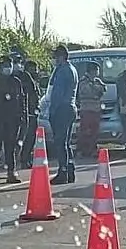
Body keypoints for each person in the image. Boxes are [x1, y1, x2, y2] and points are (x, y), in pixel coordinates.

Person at [0, 55, 26, 184]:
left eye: (9, 65)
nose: (7, 68)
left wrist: (22, 116)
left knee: (10, 148)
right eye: (5, 66)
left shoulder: (16, 82)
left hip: (12, 120)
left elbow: (22, 100)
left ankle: (11, 173)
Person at [48, 44, 79, 184]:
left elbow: (57, 93)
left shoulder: (62, 71)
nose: (54, 59)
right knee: (66, 143)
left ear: (61, 57)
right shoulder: (71, 69)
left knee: (60, 143)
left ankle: (63, 172)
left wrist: (52, 110)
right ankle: (70, 170)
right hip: (70, 108)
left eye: (55, 56)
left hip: (62, 109)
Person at [75, 61, 106, 159]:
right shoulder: (83, 81)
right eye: (96, 70)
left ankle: (92, 149)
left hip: (96, 109)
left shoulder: (97, 81)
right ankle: (81, 150)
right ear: (92, 70)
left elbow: (103, 89)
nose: (97, 72)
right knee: (85, 130)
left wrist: (95, 88)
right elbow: (85, 91)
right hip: (86, 108)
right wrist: (95, 88)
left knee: (95, 131)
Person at [19, 59, 42, 168]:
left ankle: (27, 158)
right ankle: (24, 159)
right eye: (33, 69)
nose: (35, 71)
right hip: (28, 113)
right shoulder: (25, 80)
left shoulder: (34, 81)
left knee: (31, 138)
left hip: (33, 112)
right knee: (27, 138)